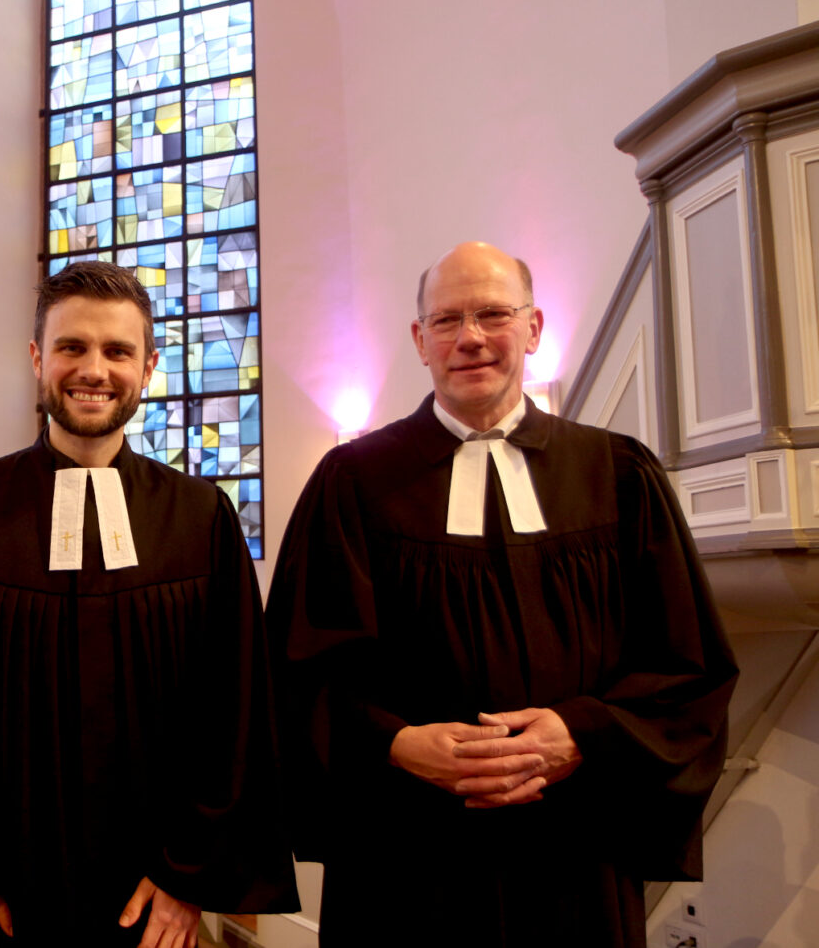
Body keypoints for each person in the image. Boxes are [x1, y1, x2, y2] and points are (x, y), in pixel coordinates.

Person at [266, 241, 738, 947]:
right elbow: (295, 673)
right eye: (448, 320)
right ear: (420, 340)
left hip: (573, 852)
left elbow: (689, 668)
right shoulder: (354, 482)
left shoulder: (616, 474)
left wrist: (581, 733)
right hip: (404, 860)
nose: (472, 337)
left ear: (534, 328)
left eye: (493, 313)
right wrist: (397, 743)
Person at [0, 261, 296, 947]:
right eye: (72, 347)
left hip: (153, 906)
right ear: (38, 358)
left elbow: (232, 713)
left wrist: (187, 876)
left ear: (148, 367)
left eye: (118, 351)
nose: (95, 368)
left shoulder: (199, 518)